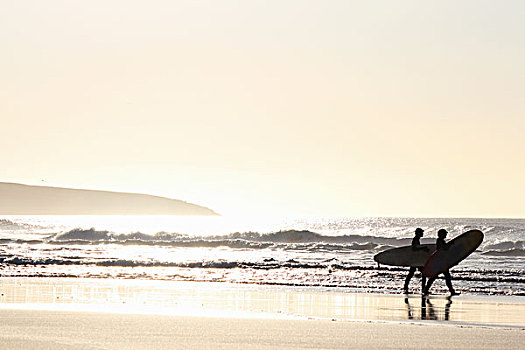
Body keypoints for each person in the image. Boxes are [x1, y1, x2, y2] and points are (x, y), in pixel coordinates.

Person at [423, 229, 459, 296]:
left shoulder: (440, 240)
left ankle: (426, 289)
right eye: (445, 234)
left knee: (439, 277)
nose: (446, 235)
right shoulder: (440, 240)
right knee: (444, 277)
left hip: (441, 261)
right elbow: (444, 249)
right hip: (440, 262)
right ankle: (452, 291)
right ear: (441, 234)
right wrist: (450, 244)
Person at [403, 228, 429, 294]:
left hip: (416, 260)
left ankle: (405, 287)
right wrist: (423, 248)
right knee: (423, 274)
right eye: (421, 232)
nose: (422, 234)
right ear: (418, 233)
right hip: (416, 261)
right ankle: (423, 289)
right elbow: (414, 249)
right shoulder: (415, 240)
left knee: (411, 274)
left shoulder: (416, 239)